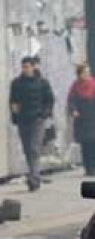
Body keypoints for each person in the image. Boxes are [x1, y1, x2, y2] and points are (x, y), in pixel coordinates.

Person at [8, 57, 54, 191]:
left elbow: (49, 100)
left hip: (37, 120)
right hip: (23, 120)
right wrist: (15, 117)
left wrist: (45, 113)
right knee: (27, 149)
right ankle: (34, 174)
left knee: (34, 148)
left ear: (34, 67)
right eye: (23, 67)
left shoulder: (42, 83)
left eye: (27, 67)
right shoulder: (16, 83)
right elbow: (13, 101)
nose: (25, 69)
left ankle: (33, 179)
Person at [68, 63, 95, 177]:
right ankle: (87, 167)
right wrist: (73, 110)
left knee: (94, 144)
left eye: (88, 72)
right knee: (85, 145)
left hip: (94, 118)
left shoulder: (93, 84)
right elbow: (71, 100)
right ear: (79, 74)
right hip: (82, 119)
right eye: (85, 72)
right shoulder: (75, 86)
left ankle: (93, 168)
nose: (87, 74)